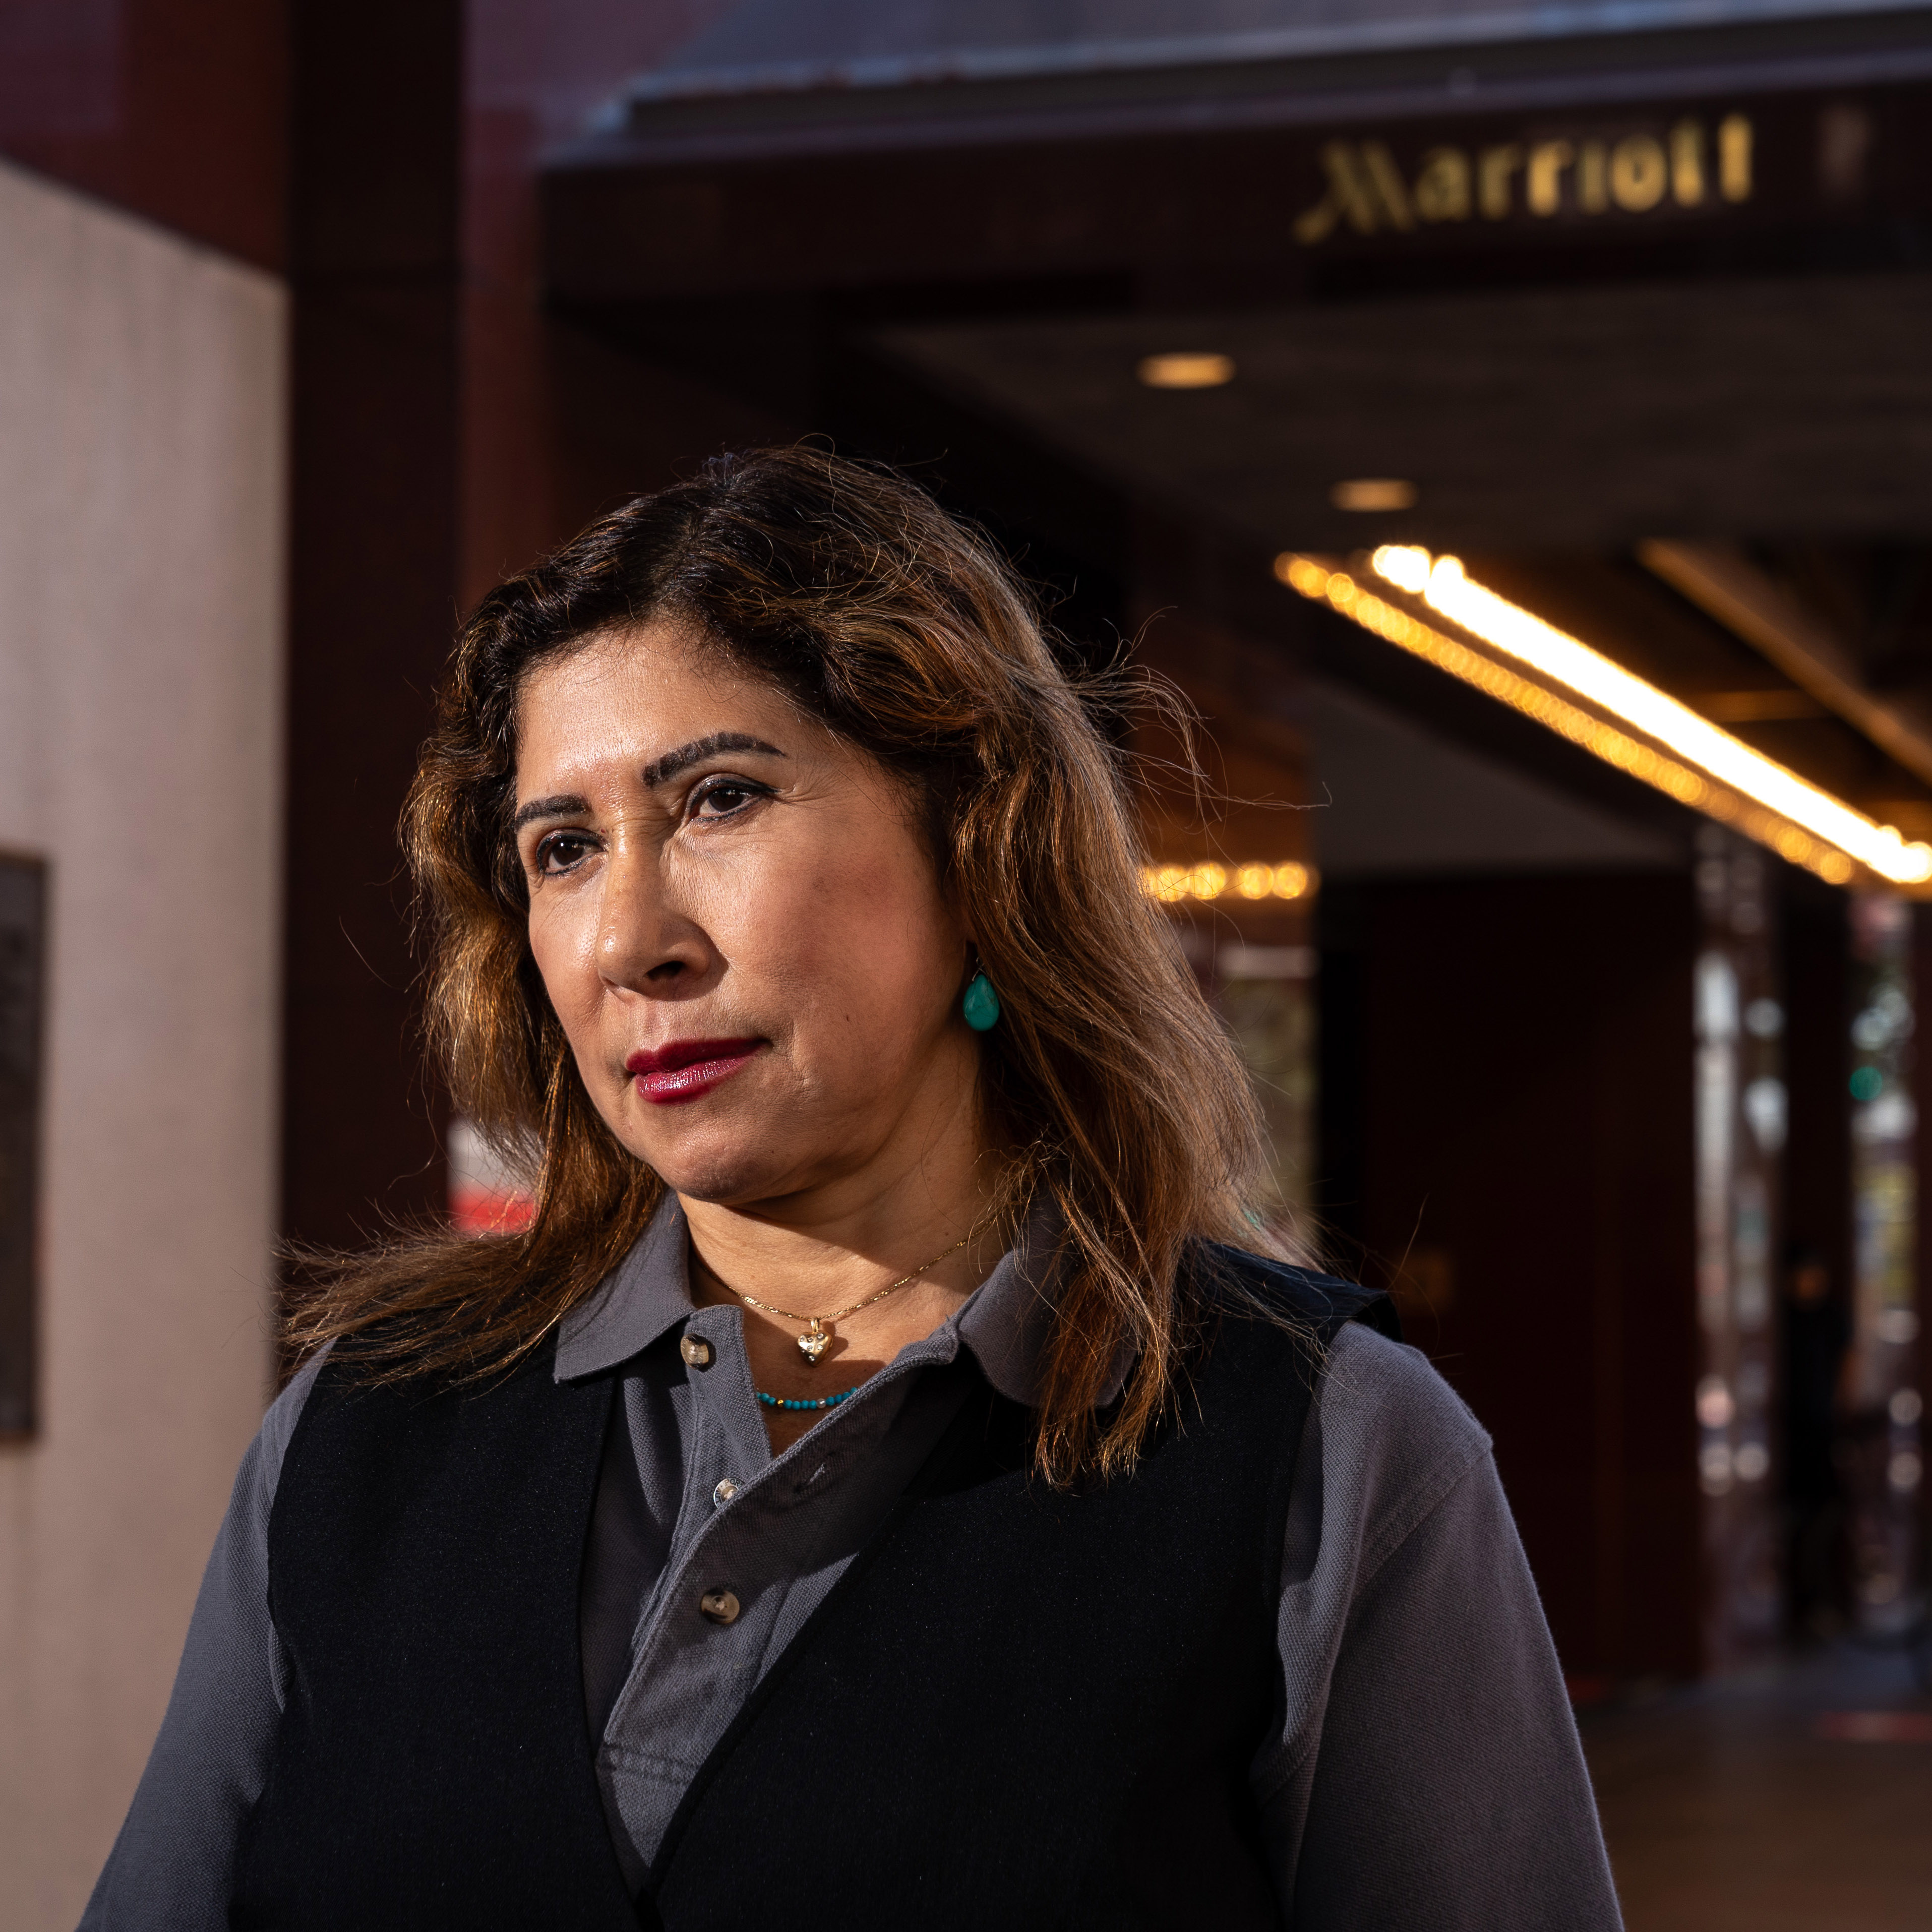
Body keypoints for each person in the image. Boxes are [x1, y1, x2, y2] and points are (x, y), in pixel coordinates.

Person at [83, 448, 1621, 1929]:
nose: (633, 939)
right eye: (561, 846)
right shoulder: (362, 1433)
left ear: (978, 848)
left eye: (720, 801)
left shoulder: (1324, 1449)